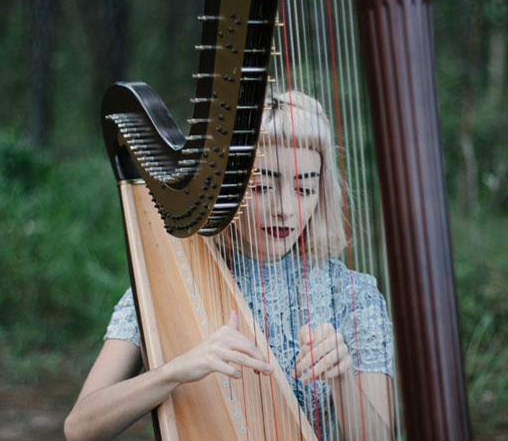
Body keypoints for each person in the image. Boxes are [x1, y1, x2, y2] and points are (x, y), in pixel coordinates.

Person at [64, 91, 394, 441]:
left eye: (304, 189)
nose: (284, 208)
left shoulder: (353, 294)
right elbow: (80, 428)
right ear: (230, 188)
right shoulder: (165, 285)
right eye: (265, 186)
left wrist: (342, 379)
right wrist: (176, 371)